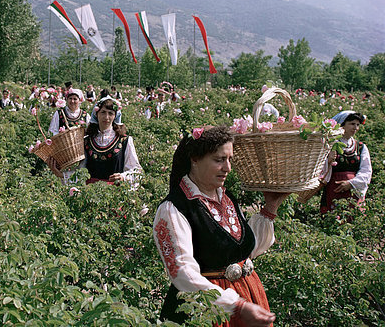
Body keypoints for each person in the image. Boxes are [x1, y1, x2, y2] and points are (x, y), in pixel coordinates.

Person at [153, 126, 290, 326]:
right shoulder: (174, 208)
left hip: (248, 295)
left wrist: (270, 207)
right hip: (206, 310)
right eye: (219, 160)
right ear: (195, 159)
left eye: (229, 159)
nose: (228, 168)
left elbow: (242, 252)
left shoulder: (226, 197)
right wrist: (236, 306)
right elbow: (181, 272)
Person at [47, 97, 141, 188]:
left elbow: (136, 171)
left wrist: (123, 177)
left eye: (110, 113)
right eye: (103, 112)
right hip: (91, 194)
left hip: (115, 196)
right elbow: (81, 171)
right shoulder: (87, 141)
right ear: (97, 114)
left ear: (115, 116)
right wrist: (62, 175)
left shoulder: (125, 141)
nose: (106, 117)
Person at [320, 111, 372, 214]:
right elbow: (317, 169)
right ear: (342, 125)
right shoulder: (330, 145)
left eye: (357, 125)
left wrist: (351, 183)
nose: (355, 128)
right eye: (352, 124)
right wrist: (328, 160)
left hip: (353, 190)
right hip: (334, 190)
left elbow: (366, 170)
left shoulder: (360, 147)